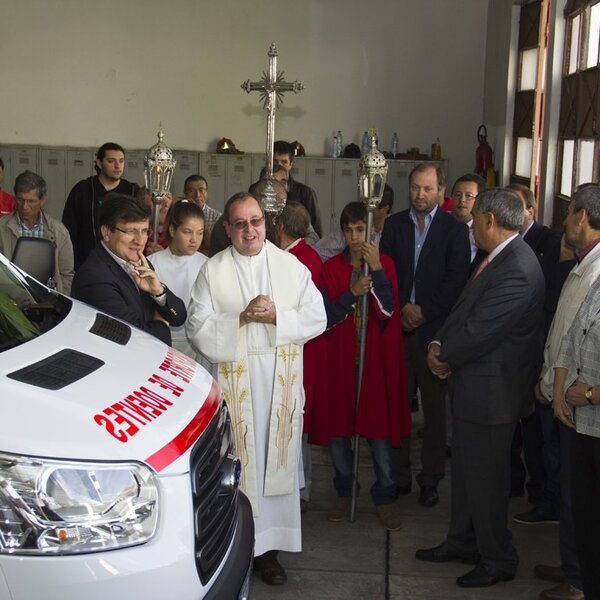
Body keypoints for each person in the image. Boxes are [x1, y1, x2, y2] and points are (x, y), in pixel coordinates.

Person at [185, 192, 326, 586]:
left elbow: (318, 315)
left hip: (278, 387)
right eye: (240, 223)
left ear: (267, 222)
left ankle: (270, 554)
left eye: (256, 221)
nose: (250, 230)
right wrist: (240, 318)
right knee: (239, 465)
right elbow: (197, 326)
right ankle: (236, 549)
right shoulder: (212, 271)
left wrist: (279, 313)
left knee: (274, 467)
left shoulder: (291, 266)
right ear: (228, 229)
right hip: (236, 383)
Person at [416, 187, 545, 589]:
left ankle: (497, 557)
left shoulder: (518, 268)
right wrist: (439, 343)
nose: (471, 228)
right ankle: (462, 542)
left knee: (487, 481)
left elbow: (482, 329)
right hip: (474, 387)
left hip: (493, 395)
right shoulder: (498, 257)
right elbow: (465, 308)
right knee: (468, 476)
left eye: (476, 222)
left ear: (491, 220)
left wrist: (444, 354)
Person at [380, 163, 471, 507]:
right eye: (416, 188)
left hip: (435, 333)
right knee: (398, 408)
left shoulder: (454, 230)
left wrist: (423, 311)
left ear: (440, 192)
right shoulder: (394, 226)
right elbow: (384, 272)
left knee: (434, 414)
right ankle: (399, 475)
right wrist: (403, 306)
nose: (420, 194)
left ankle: (430, 479)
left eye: (427, 189)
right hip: (398, 330)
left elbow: (456, 280)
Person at [316, 201, 410, 531]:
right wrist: (353, 293)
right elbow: (324, 316)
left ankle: (384, 496)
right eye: (349, 230)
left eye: (360, 230)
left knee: (378, 433)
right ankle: (344, 490)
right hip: (342, 359)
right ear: (342, 232)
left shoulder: (385, 265)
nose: (355, 237)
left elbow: (388, 312)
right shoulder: (332, 270)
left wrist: (377, 273)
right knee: (340, 432)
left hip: (373, 361)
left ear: (370, 232)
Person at [533, 185, 600, 600]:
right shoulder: (581, 263)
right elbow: (571, 335)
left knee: (585, 506)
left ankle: (580, 581)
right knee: (573, 501)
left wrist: (586, 394)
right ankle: (575, 568)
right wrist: (555, 385)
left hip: (588, 411)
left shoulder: (595, 270)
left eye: (569, 212)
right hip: (569, 402)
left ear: (582, 218)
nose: (563, 221)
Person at [71, 194, 186, 345]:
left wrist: (158, 292)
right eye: (131, 231)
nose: (139, 241)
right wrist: (162, 323)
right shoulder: (94, 277)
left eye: (145, 231)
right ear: (106, 232)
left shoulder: (138, 263)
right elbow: (135, 338)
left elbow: (179, 317)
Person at [275, 201, 325, 513]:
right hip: (289, 346)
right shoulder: (297, 255)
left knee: (297, 421)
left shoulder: (302, 259)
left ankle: (301, 488)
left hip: (301, 348)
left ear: (279, 227)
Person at [553, 274, 600, 600]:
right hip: (583, 425)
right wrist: (558, 393)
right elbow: (571, 338)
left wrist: (594, 394)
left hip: (592, 410)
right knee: (586, 521)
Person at [62, 142, 140, 269]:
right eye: (111, 161)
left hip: (123, 264)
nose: (117, 166)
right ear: (99, 163)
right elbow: (69, 229)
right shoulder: (83, 190)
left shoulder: (132, 191)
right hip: (86, 262)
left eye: (121, 161)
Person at [147, 200, 207, 358]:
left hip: (198, 345)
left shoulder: (207, 265)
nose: (194, 239)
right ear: (173, 230)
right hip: (162, 344)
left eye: (200, 232)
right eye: (187, 232)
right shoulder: (152, 263)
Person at [0, 170, 74, 294]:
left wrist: (61, 300)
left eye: (31, 201)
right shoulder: (2, 228)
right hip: (10, 301)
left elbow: (66, 273)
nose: (25, 206)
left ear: (42, 200)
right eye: (20, 200)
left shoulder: (58, 232)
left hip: (48, 301)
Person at [315, 184, 394, 262]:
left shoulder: (395, 230)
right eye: (365, 202)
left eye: (371, 205)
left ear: (384, 209)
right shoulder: (348, 230)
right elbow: (318, 252)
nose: (354, 237)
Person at [274, 140, 322, 236]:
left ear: (291, 164)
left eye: (284, 162)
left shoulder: (306, 194)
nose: (278, 166)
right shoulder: (258, 190)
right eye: (274, 161)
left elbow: (316, 234)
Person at [450, 173, 485, 263]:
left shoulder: (484, 232)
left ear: (479, 200)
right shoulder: (439, 223)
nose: (462, 200)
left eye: (468, 196)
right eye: (457, 195)